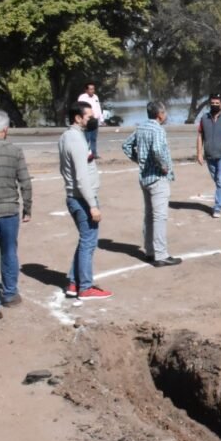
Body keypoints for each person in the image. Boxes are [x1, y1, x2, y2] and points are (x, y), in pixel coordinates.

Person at [60, 101, 111, 300]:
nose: (93, 120)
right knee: (89, 243)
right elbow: (81, 177)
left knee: (85, 241)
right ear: (78, 118)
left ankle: (74, 282)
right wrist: (93, 205)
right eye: (89, 117)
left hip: (75, 196)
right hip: (82, 198)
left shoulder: (67, 136)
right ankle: (85, 287)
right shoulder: (76, 140)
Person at [122, 101, 181, 268]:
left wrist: (139, 160)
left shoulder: (141, 127)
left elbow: (126, 146)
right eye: (165, 112)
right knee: (160, 216)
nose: (166, 115)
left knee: (149, 215)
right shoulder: (157, 129)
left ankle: (150, 251)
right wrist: (163, 166)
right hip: (157, 177)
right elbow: (156, 150)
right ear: (159, 114)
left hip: (144, 177)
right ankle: (160, 254)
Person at [0, 110, 32, 319]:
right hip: (8, 210)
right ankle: (9, 294)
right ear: (6, 129)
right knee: (9, 252)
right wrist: (28, 208)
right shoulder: (15, 151)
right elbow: (25, 183)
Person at [195, 93, 221, 218]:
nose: (214, 105)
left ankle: (218, 207)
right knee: (220, 182)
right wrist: (199, 153)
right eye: (212, 103)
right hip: (210, 155)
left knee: (220, 181)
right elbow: (200, 136)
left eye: (217, 103)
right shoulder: (204, 118)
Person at [76, 82, 104, 159]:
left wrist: (101, 119)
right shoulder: (82, 98)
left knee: (93, 138)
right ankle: (86, 154)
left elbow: (98, 108)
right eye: (90, 89)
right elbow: (80, 108)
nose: (92, 91)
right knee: (86, 138)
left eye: (93, 89)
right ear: (86, 90)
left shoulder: (95, 97)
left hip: (94, 120)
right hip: (87, 120)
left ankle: (94, 153)